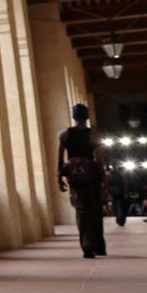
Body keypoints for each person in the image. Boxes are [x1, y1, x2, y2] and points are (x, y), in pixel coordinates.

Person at [58, 103, 106, 258]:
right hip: (92, 175)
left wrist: (59, 176)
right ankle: (99, 245)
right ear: (87, 117)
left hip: (75, 176)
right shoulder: (94, 135)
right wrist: (103, 179)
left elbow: (60, 157)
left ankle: (87, 244)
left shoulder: (64, 134)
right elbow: (100, 159)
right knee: (95, 209)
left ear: (73, 116)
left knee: (82, 209)